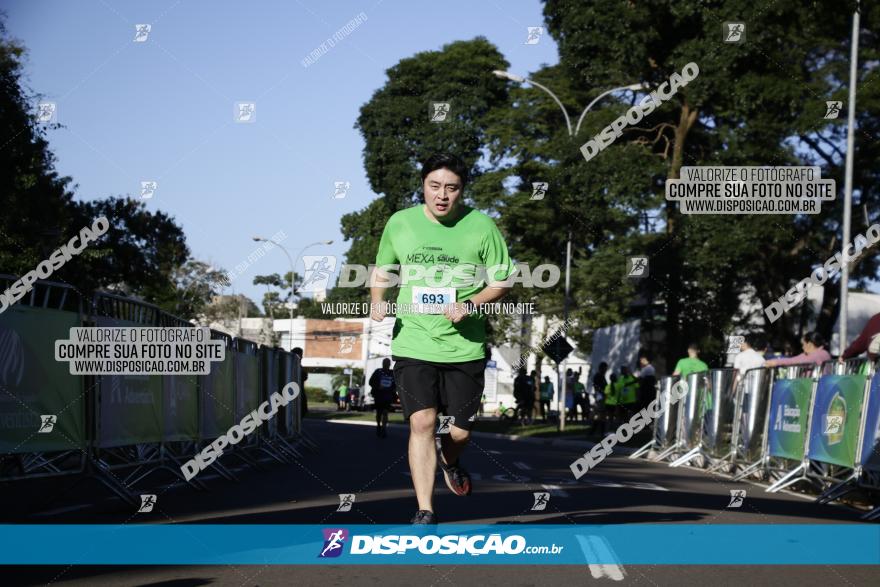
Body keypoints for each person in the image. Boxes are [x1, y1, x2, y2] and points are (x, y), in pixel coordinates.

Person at [370, 153, 515, 525]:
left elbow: (502, 280)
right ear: (423, 186)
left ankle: (451, 461)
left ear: (462, 191)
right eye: (434, 186)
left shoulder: (481, 226)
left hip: (464, 345)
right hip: (413, 341)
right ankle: (425, 510)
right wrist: (377, 301)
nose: (442, 195)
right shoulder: (401, 223)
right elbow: (383, 269)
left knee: (461, 431)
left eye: (451, 188)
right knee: (422, 423)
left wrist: (470, 303)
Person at [764, 331, 831, 368]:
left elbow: (796, 361)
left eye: (803, 344)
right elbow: (793, 359)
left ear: (810, 344)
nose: (802, 347)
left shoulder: (819, 354)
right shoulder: (817, 353)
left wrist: (776, 362)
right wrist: (773, 361)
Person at [369, 358, 396, 438]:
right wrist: (378, 387)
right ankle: (378, 426)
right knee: (379, 413)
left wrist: (393, 389)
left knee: (385, 412)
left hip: (387, 396)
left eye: (388, 363)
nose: (386, 364)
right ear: (382, 364)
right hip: (379, 395)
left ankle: (384, 428)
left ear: (390, 364)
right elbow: (371, 382)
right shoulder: (378, 372)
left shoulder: (391, 373)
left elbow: (395, 384)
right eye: (385, 363)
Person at [292, 347, 309, 418]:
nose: (301, 357)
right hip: (294, 392)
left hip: (299, 391)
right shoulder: (292, 365)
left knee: (302, 410)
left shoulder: (298, 365)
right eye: (300, 355)